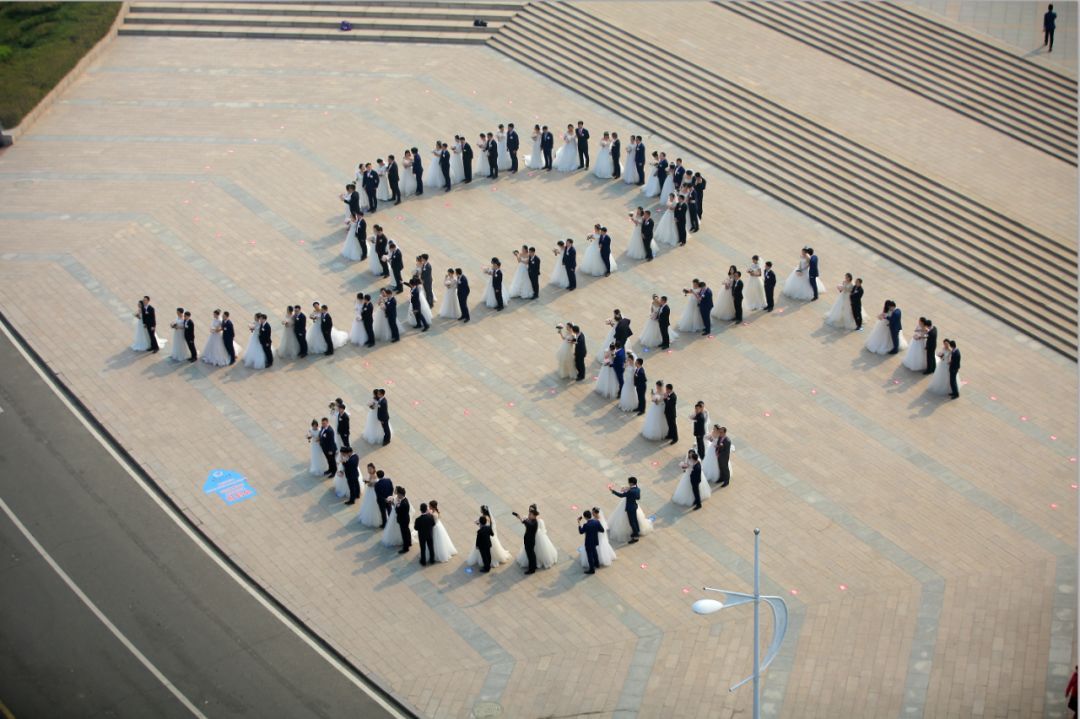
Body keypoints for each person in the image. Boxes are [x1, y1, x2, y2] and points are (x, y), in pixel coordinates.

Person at [609, 477, 652, 543]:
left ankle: (636, 537)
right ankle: (637, 531)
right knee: (635, 520)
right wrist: (629, 489)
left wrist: (613, 491)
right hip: (634, 506)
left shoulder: (630, 491)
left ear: (631, 483)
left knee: (632, 522)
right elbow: (638, 498)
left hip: (630, 508)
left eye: (629, 482)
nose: (628, 483)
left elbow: (621, 495)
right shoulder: (637, 489)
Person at [512, 506, 539, 574]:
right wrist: (519, 517)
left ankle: (531, 569)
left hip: (530, 542)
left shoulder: (534, 523)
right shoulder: (532, 521)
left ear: (534, 516)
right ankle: (533, 566)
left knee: (530, 555)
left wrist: (523, 519)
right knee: (531, 554)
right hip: (528, 540)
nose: (529, 515)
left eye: (530, 514)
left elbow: (528, 524)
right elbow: (525, 522)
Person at [578, 509, 604, 574]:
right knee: (594, 552)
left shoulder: (586, 525)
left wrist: (579, 523)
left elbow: (581, 532)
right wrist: (595, 530)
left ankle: (592, 570)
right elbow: (602, 530)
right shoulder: (597, 522)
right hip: (595, 540)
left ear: (585, 517)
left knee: (590, 555)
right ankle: (597, 564)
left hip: (588, 542)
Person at [394, 487, 412, 554]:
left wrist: (397, 506)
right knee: (407, 531)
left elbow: (397, 511)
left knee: (404, 534)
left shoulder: (403, 503)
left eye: (398, 494)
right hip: (406, 519)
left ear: (400, 494)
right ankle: (409, 542)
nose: (397, 495)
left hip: (403, 520)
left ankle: (405, 548)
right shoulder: (405, 500)